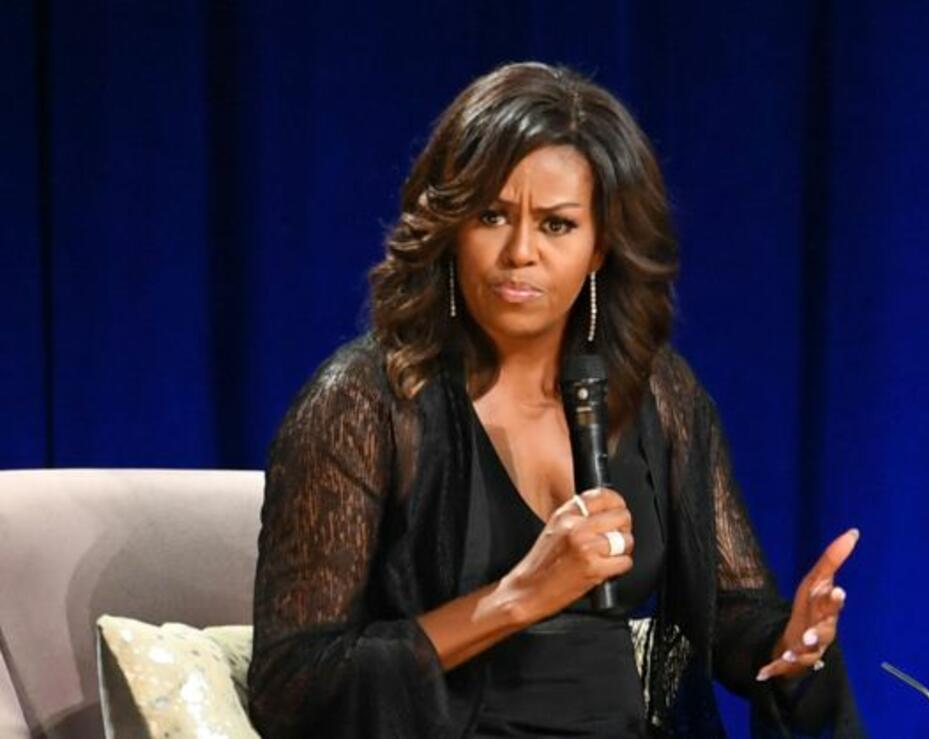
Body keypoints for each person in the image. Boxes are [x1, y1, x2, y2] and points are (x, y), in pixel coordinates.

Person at [248, 61, 864, 738]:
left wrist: (791, 643)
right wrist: (518, 596)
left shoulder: (658, 391)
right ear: (450, 226)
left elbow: (731, 612)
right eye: (491, 215)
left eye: (557, 225)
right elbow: (291, 686)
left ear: (601, 247)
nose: (520, 252)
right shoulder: (361, 402)